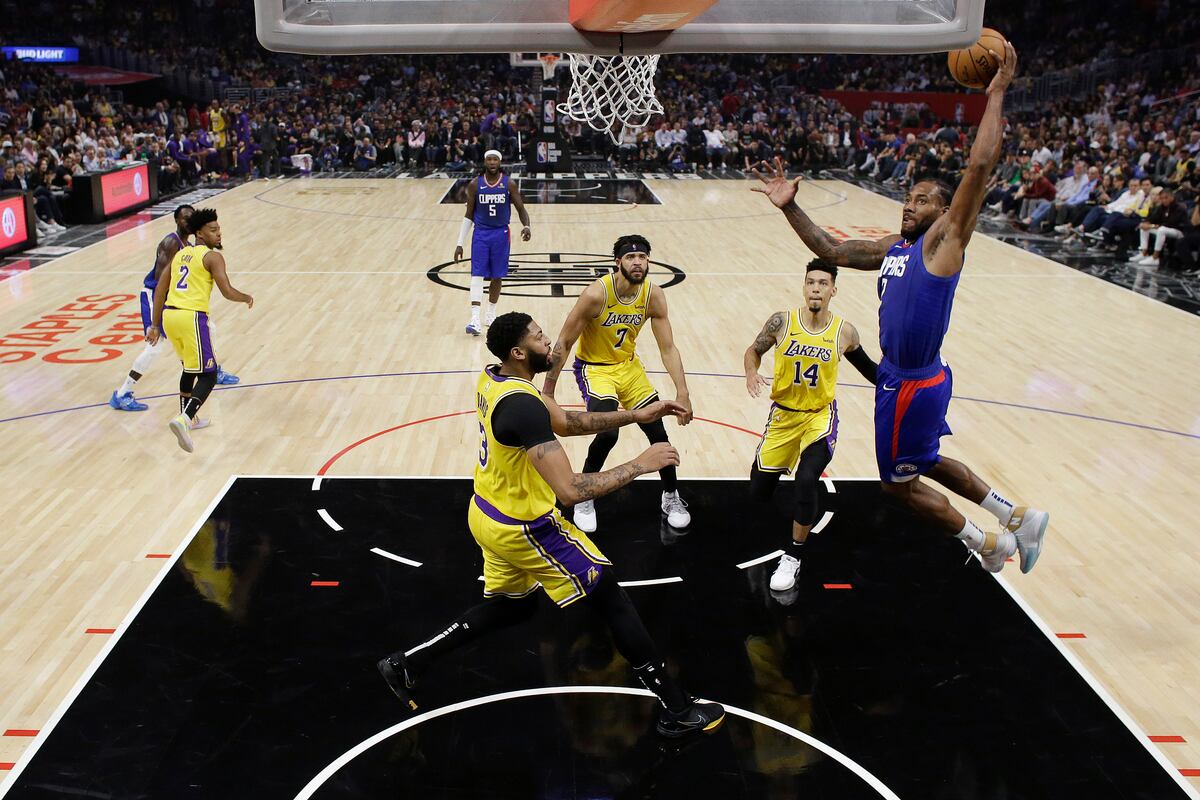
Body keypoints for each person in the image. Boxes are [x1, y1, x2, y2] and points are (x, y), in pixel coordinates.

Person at [750, 42, 1049, 575]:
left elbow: (980, 166)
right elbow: (832, 251)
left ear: (944, 210)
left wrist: (996, 93)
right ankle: (1016, 518)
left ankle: (989, 543)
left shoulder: (946, 241)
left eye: (924, 199)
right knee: (926, 461)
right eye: (908, 198)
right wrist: (790, 205)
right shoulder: (896, 247)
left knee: (899, 486)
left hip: (911, 383)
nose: (911, 205)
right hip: (911, 377)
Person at [377, 312, 725, 738]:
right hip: (526, 527)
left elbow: (566, 422)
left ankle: (408, 663)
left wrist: (637, 415)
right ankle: (677, 709)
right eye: (541, 338)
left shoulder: (497, 379)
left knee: (515, 605)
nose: (552, 343)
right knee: (611, 597)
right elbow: (571, 490)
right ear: (519, 352)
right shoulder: (523, 406)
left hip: (486, 512)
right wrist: (640, 464)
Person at [743, 259, 879, 594]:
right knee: (758, 491)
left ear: (833, 290)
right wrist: (750, 371)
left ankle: (794, 555)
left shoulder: (844, 332)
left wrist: (903, 386)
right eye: (810, 282)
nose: (815, 288)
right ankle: (798, 522)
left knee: (806, 480)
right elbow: (753, 350)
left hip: (819, 417)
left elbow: (871, 371)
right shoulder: (781, 322)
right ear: (804, 287)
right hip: (783, 417)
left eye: (822, 283)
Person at [541, 235, 692, 534]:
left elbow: (668, 348)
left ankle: (670, 497)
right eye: (631, 257)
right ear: (617, 262)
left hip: (628, 368)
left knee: (658, 431)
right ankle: (585, 496)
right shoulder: (596, 294)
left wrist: (683, 392)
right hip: (595, 370)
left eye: (643, 257)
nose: (638, 262)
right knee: (608, 433)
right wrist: (548, 390)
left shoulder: (653, 295)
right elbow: (565, 340)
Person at [111, 207, 240, 413]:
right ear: (177, 221)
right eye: (184, 217)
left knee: (209, 328)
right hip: (155, 296)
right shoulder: (171, 243)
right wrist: (158, 320)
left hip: (171, 299)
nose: (188, 220)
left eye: (191, 216)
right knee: (155, 347)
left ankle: (211, 368)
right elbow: (163, 282)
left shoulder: (189, 246)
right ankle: (122, 393)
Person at [146, 209, 254, 453]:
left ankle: (190, 420)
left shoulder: (180, 255)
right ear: (199, 233)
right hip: (191, 316)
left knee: (189, 368)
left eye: (219, 229)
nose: (219, 234)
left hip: (170, 317)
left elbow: (160, 290)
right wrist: (246, 297)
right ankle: (184, 418)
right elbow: (226, 291)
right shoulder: (212, 257)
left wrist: (154, 325)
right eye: (213, 230)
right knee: (210, 374)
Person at [453, 150, 531, 335]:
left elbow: (521, 208)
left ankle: (491, 314)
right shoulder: (475, 185)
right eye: (489, 159)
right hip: (481, 233)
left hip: (501, 234)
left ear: (500, 162)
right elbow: (468, 215)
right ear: (485, 162)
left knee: (497, 275)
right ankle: (474, 318)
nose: (492, 162)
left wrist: (527, 226)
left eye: (495, 159)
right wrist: (459, 243)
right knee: (477, 274)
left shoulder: (509, 184)